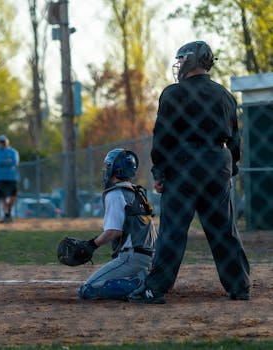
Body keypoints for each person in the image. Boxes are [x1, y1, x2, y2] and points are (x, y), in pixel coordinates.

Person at [128, 41, 250, 304]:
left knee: (173, 230)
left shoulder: (174, 93)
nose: (179, 64)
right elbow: (236, 140)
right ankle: (240, 286)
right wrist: (232, 167)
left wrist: (159, 171)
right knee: (223, 229)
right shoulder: (225, 95)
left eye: (182, 59)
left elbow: (163, 137)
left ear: (193, 61)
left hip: (184, 163)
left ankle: (155, 289)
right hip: (218, 161)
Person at [77, 148, 158, 300]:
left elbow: (115, 231)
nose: (105, 169)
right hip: (151, 257)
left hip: (132, 257)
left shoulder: (115, 193)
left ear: (116, 169)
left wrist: (92, 244)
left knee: (86, 290)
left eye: (108, 166)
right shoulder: (136, 192)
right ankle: (144, 277)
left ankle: (138, 284)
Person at [0, 135, 20, 223]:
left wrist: (5, 162)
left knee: (13, 197)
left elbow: (15, 162)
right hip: (0, 177)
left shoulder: (13, 151)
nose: (2, 143)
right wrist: (7, 161)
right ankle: (7, 215)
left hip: (12, 177)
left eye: (4, 141)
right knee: (3, 197)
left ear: (7, 141)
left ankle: (8, 212)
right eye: (1, 142)